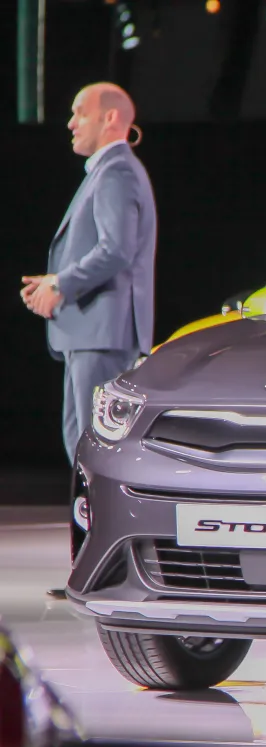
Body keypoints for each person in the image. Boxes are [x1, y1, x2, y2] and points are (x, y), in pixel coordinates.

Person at [20, 82, 156, 599]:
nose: (71, 122)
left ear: (111, 120)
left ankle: (103, 573)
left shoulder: (117, 171)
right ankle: (89, 570)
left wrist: (62, 284)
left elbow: (115, 250)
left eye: (80, 113)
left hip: (104, 334)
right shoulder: (106, 172)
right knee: (83, 452)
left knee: (97, 456)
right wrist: (56, 283)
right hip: (91, 334)